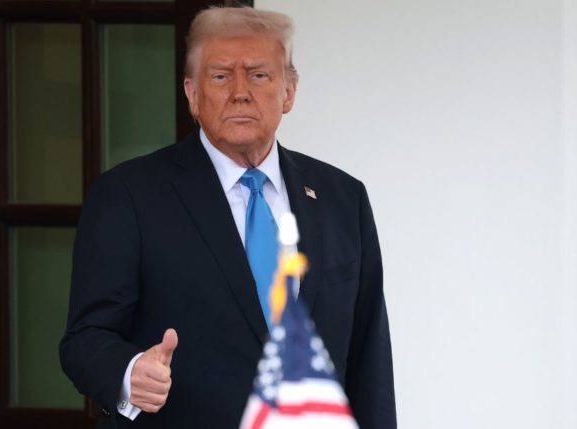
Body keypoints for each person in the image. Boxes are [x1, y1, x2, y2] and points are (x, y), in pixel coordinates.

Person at [60, 6, 396, 429]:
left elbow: (370, 361)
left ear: (289, 92)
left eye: (259, 74)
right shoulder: (128, 195)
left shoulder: (343, 198)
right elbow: (84, 339)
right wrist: (130, 373)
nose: (240, 92)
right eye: (220, 76)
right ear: (192, 94)